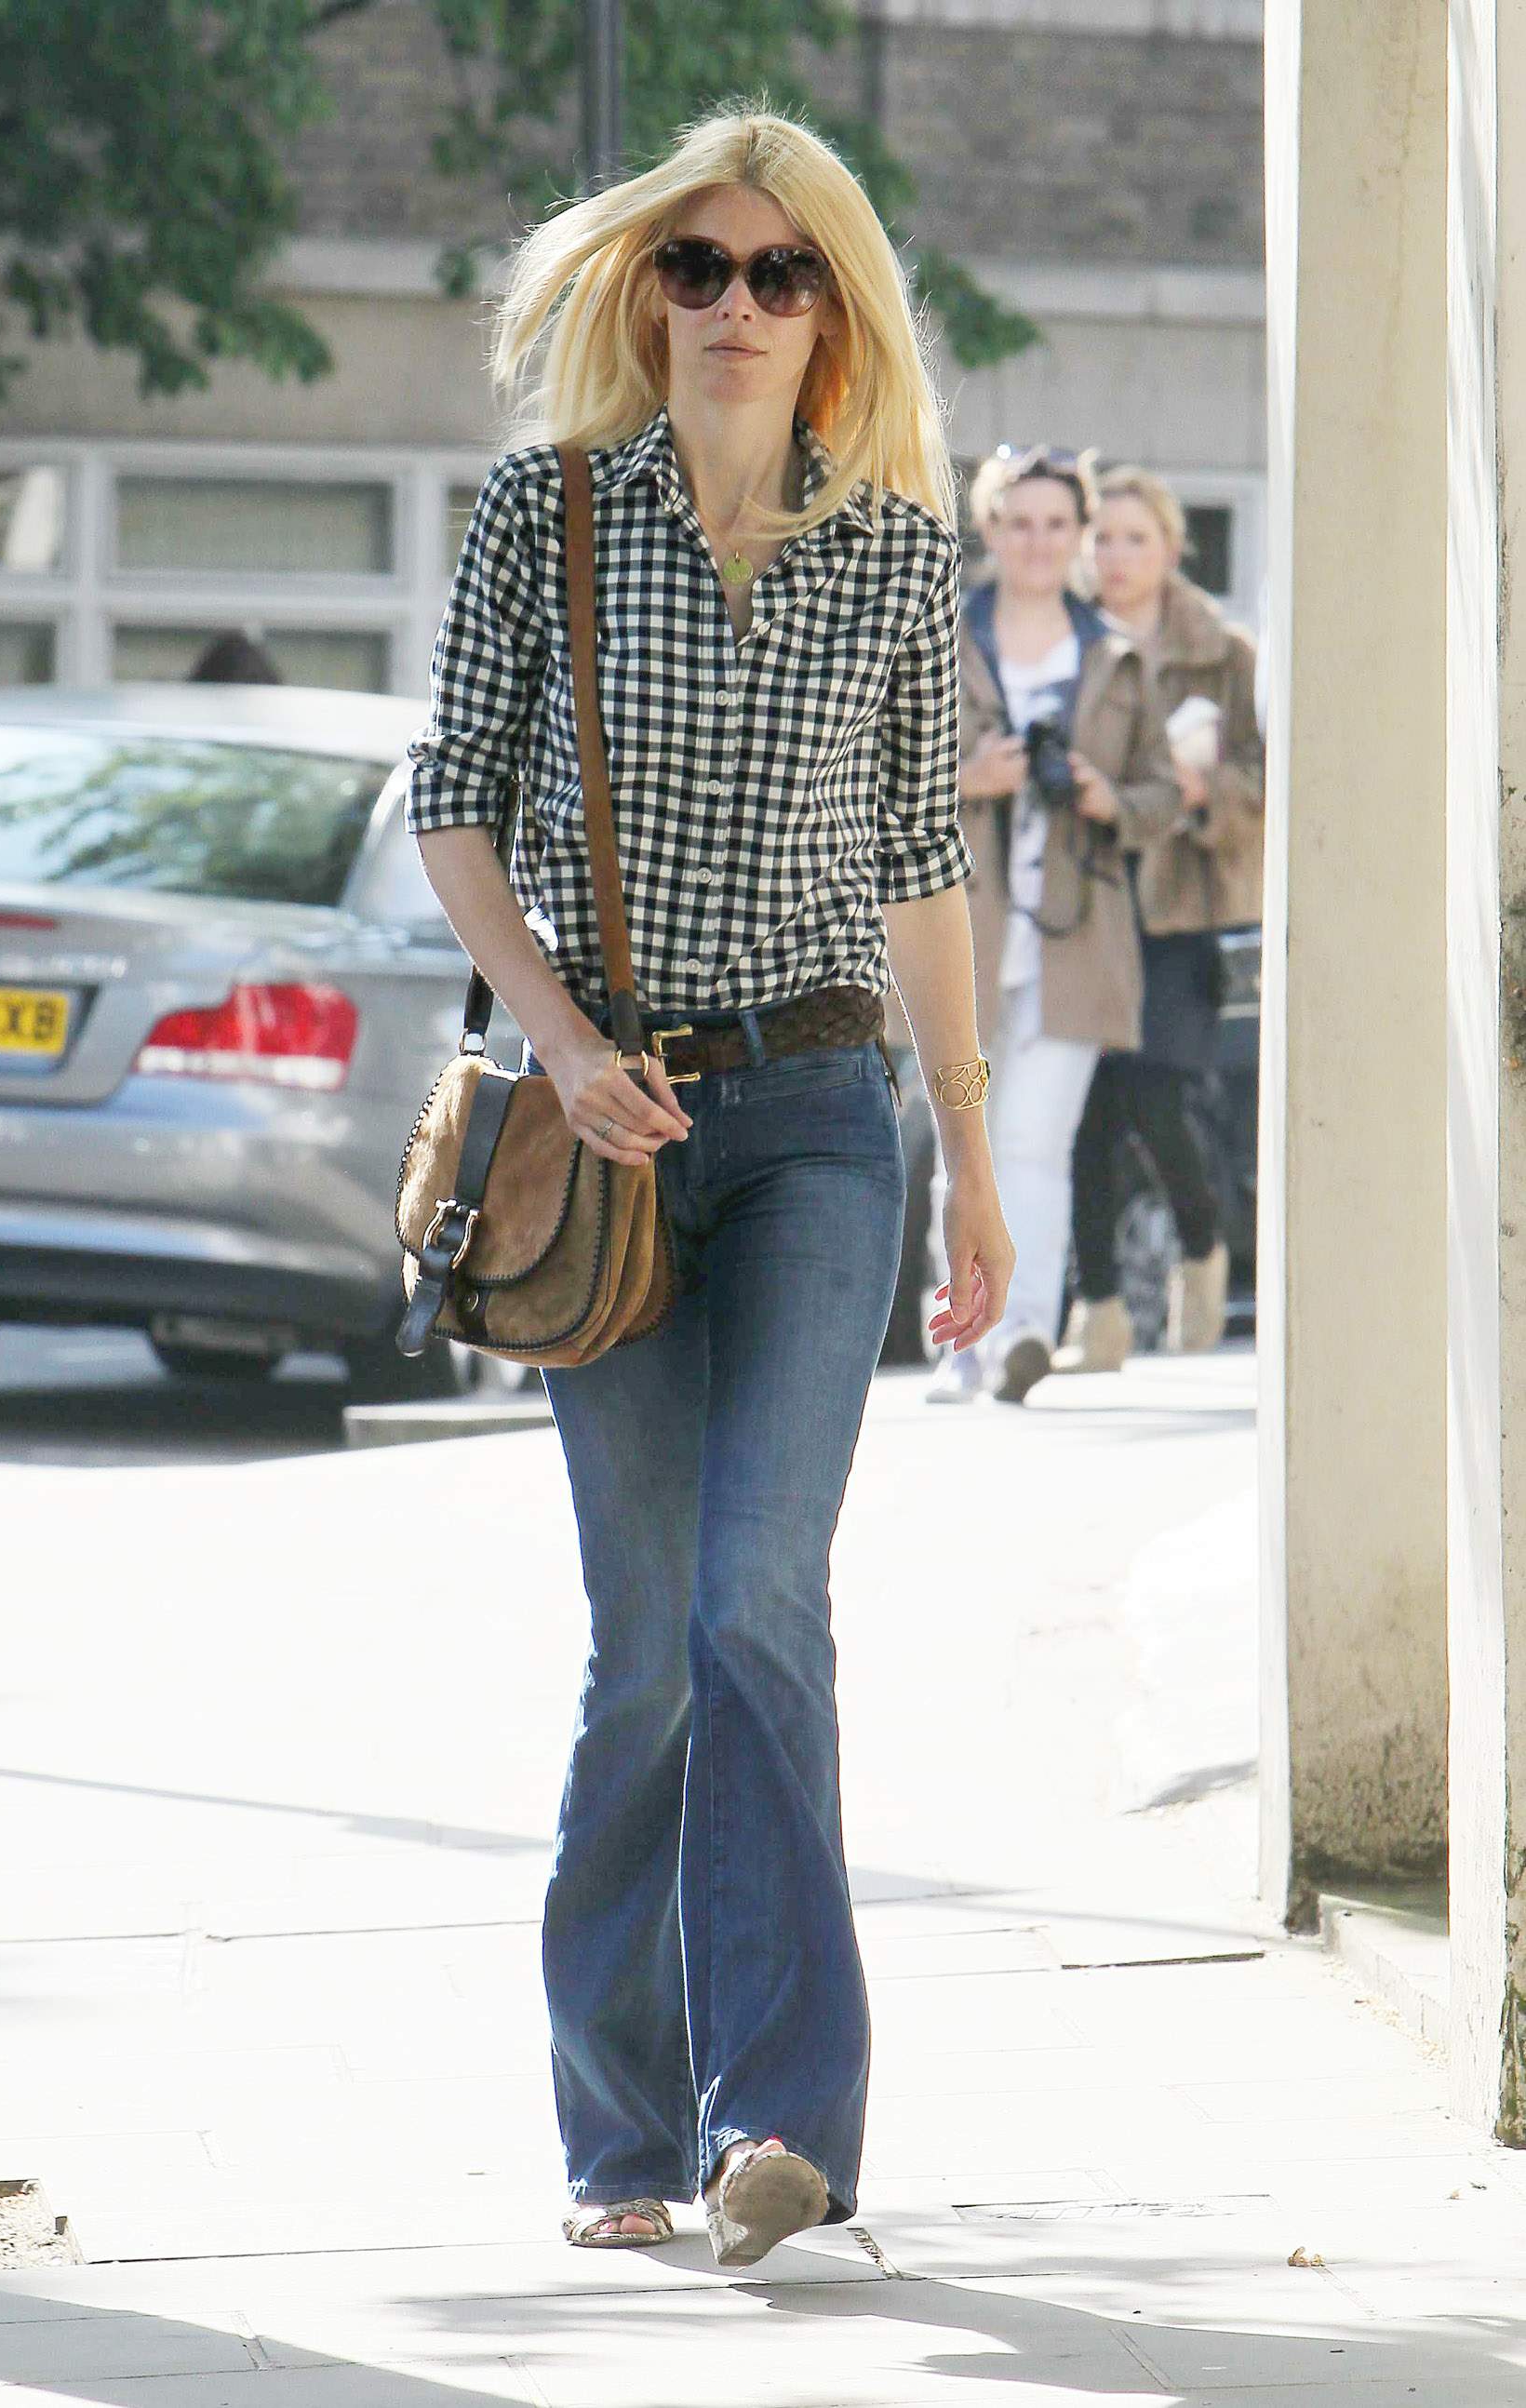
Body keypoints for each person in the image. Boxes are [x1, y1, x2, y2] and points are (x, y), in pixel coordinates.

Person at [405, 106, 1015, 2267]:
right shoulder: (545, 511)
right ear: (642, 296)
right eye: (697, 268)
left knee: (760, 1593)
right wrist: (559, 1041)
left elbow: (923, 867)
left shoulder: (893, 552)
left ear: (833, 313)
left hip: (822, 1119)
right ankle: (618, 2128)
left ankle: (782, 2118)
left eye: (779, 272)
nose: (735, 304)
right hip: (610, 1136)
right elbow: (451, 800)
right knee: (648, 1641)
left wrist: (972, 1156)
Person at [928, 446, 1179, 1405]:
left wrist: (1107, 797)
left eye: (1057, 524)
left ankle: (1023, 1330)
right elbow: (870, 774)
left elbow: (1161, 795)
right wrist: (970, 778)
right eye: (1019, 522)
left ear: (1079, 535)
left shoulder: (1115, 652)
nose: (1038, 542)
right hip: (958, 934)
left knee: (1035, 1142)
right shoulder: (941, 636)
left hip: (1077, 939)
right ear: (990, 528)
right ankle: (959, 1343)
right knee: (964, 1144)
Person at [1057, 466, 1265, 1371]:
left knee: (1152, 1087)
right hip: (1086, 900)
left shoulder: (1222, 653)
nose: (1116, 556)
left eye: (1135, 538)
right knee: (1086, 1110)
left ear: (1171, 548)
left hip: (1179, 905)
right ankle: (1097, 1310)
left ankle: (1201, 1241)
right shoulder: (1063, 640)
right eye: (1102, 537)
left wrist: (1199, 784)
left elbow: (1263, 782)